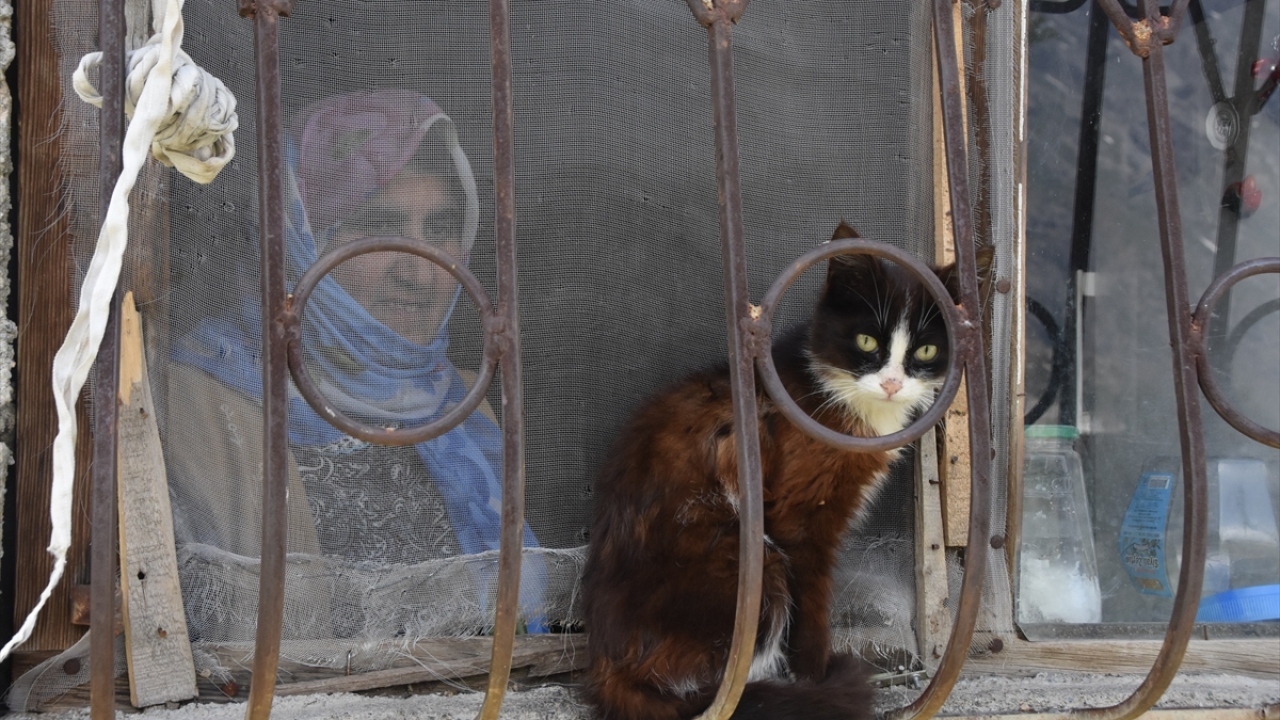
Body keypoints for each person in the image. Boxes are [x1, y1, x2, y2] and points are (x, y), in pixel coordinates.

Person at [164, 90, 546, 642]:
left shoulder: (462, 400)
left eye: (440, 229)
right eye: (376, 226)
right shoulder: (202, 399)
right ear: (300, 240)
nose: (418, 271)